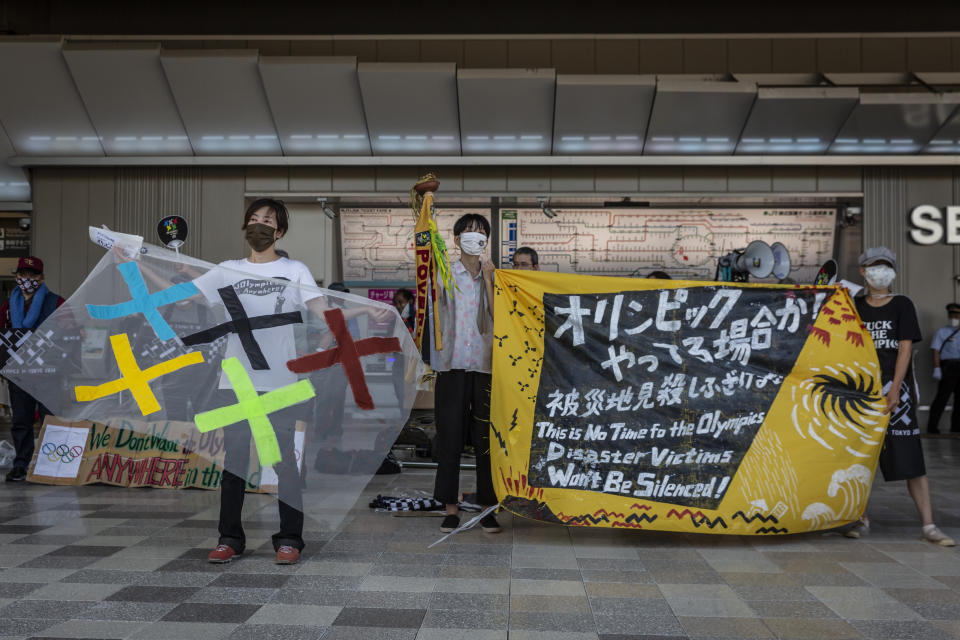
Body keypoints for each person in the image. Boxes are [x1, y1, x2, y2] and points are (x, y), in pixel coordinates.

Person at [193, 199, 387, 565]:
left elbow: (324, 311)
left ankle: (289, 539)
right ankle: (230, 538)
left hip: (281, 381)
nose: (259, 224)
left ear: (279, 231)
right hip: (236, 381)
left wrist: (361, 309)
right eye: (253, 218)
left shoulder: (294, 269)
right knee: (234, 463)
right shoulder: (226, 270)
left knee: (284, 463)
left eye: (267, 220)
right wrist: (133, 265)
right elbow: (182, 294)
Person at [849, 247, 954, 546]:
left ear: (893, 271)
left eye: (885, 266)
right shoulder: (853, 306)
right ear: (862, 271)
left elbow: (905, 348)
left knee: (911, 459)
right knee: (860, 457)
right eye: (873, 266)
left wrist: (895, 388)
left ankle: (929, 525)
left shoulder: (902, 304)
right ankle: (858, 516)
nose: (879, 271)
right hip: (861, 392)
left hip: (897, 393)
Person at [431, 213, 500, 534]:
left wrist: (488, 279)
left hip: (487, 368)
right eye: (469, 232)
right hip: (452, 366)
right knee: (450, 439)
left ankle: (487, 506)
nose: (476, 237)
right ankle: (450, 507)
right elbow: (432, 304)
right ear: (456, 240)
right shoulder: (444, 273)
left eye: (482, 232)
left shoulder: (496, 277)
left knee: (487, 441)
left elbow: (500, 317)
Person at [1, 257, 65, 482]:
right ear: (16, 276)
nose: (27, 279)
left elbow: (72, 332)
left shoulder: (56, 303)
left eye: (33, 275)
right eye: (23, 274)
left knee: (51, 419)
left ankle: (53, 463)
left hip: (49, 372)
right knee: (21, 420)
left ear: (42, 278)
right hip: (19, 373)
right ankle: (21, 464)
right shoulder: (9, 306)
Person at [927, 302, 960, 434]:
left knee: (959, 400)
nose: (953, 316)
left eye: (956, 314)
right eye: (951, 314)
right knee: (942, 398)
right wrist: (937, 368)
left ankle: (956, 428)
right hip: (949, 367)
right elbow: (936, 351)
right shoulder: (942, 332)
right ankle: (932, 427)